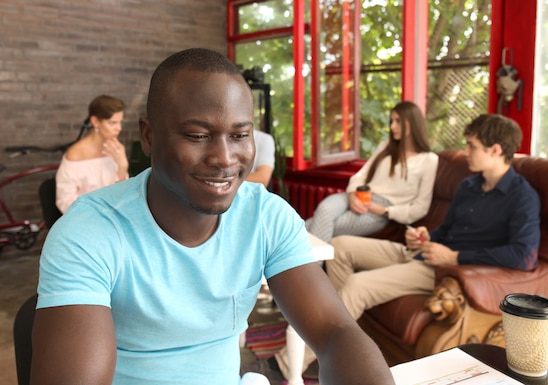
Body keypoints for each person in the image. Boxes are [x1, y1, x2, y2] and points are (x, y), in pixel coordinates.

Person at [30, 48, 395, 385]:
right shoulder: (90, 232)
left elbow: (334, 331)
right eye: (198, 135)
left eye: (239, 135)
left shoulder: (264, 216)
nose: (224, 157)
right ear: (149, 136)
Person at [276, 113, 541, 376]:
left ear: (495, 150)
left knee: (359, 285)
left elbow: (523, 256)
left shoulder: (522, 197)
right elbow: (447, 230)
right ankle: (344, 347)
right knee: (340, 246)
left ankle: (289, 363)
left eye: (472, 146)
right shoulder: (469, 185)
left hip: (442, 270)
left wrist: (455, 257)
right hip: (421, 252)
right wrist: (426, 235)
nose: (466, 151)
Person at [306, 101, 439, 242]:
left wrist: (384, 210)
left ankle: (310, 264)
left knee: (308, 226)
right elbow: (361, 175)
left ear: (413, 124)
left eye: (398, 121)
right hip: (357, 195)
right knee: (324, 209)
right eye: (391, 121)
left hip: (378, 211)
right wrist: (352, 195)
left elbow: (421, 208)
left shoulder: (429, 160)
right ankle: (311, 264)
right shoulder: (385, 147)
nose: (392, 126)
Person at [55, 94, 129, 213]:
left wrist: (122, 167)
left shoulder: (116, 149)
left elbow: (123, 194)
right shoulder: (75, 155)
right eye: (113, 123)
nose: (119, 128)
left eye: (120, 122)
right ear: (95, 121)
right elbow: (65, 202)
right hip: (86, 220)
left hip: (114, 215)